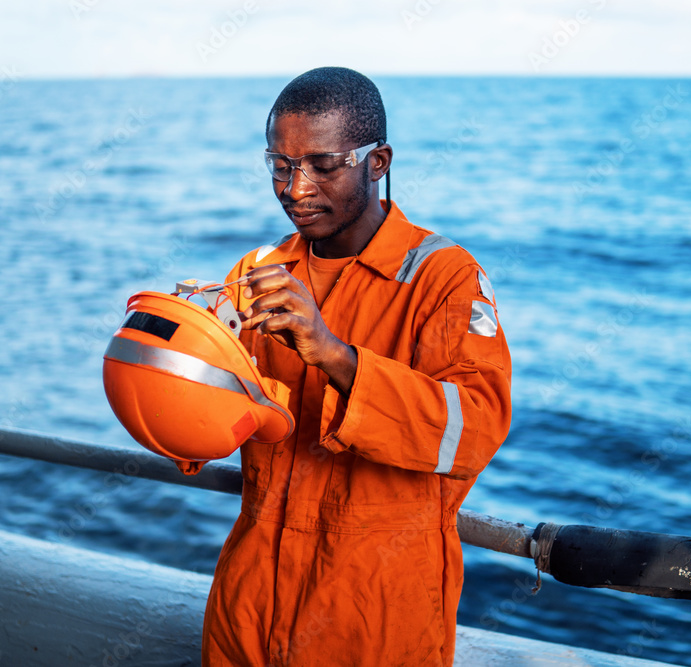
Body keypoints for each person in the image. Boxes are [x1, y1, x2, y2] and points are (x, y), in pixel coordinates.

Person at [190, 66, 512, 666]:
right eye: (280, 166)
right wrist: (173, 364)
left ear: (377, 161)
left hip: (373, 621)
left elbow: (472, 433)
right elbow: (205, 429)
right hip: (246, 609)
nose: (296, 188)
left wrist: (334, 356)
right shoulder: (256, 272)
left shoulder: (442, 277)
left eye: (322, 164)